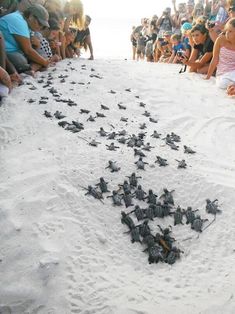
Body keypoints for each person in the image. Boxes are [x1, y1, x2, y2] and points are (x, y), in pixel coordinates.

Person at [0, 3, 50, 73]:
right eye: (40, 23)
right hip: (5, 52)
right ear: (30, 16)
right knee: (21, 61)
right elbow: (28, 51)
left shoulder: (26, 23)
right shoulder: (18, 20)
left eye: (43, 26)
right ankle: (31, 69)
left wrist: (37, 46)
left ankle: (31, 70)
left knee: (41, 56)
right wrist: (45, 62)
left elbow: (31, 49)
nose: (40, 27)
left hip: (17, 52)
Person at [206, 18, 235, 89]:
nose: (227, 33)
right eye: (226, 30)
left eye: (230, 31)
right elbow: (215, 59)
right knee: (222, 84)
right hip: (222, 73)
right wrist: (208, 77)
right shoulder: (220, 40)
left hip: (233, 72)